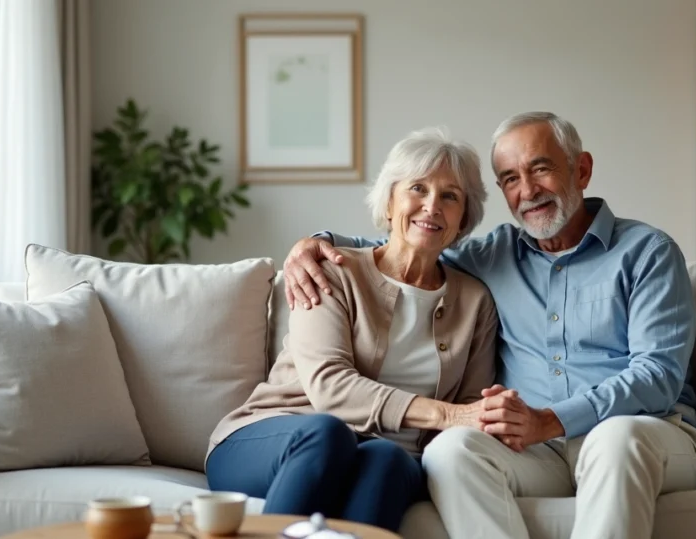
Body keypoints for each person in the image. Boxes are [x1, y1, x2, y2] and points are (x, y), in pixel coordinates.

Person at [282, 111, 696, 539]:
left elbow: (658, 376)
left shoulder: (647, 252)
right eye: (510, 178)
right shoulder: (494, 255)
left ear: (581, 169)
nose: (527, 190)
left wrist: (552, 419)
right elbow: (407, 241)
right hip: (536, 450)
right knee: (451, 450)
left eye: (540, 169)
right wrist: (316, 243)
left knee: (615, 439)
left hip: (648, 434)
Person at [204, 127, 501, 533]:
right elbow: (330, 385)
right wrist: (446, 414)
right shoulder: (333, 271)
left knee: (391, 460)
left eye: (450, 196)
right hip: (277, 440)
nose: (432, 206)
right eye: (418, 188)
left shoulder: (476, 301)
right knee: (329, 434)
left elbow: (470, 407)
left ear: (464, 216)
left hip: (385, 456)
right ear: (391, 200)